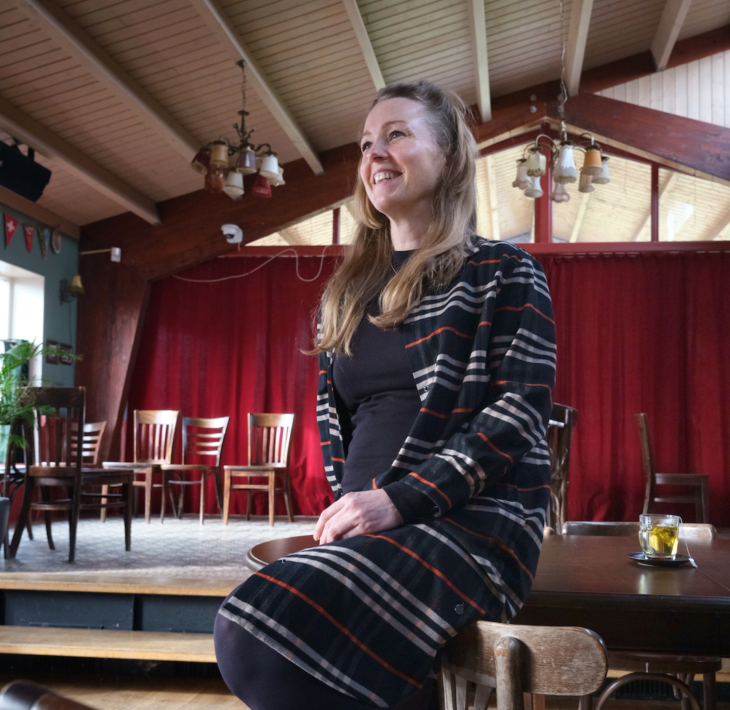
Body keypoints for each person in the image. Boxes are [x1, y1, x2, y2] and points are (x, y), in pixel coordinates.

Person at [214, 81, 556, 710]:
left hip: (469, 525)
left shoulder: (503, 272)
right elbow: (342, 430)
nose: (374, 153)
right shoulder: (347, 294)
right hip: (370, 528)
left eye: (396, 134)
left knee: (249, 631)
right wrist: (355, 509)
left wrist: (399, 501)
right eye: (366, 143)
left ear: (449, 157)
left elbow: (517, 416)